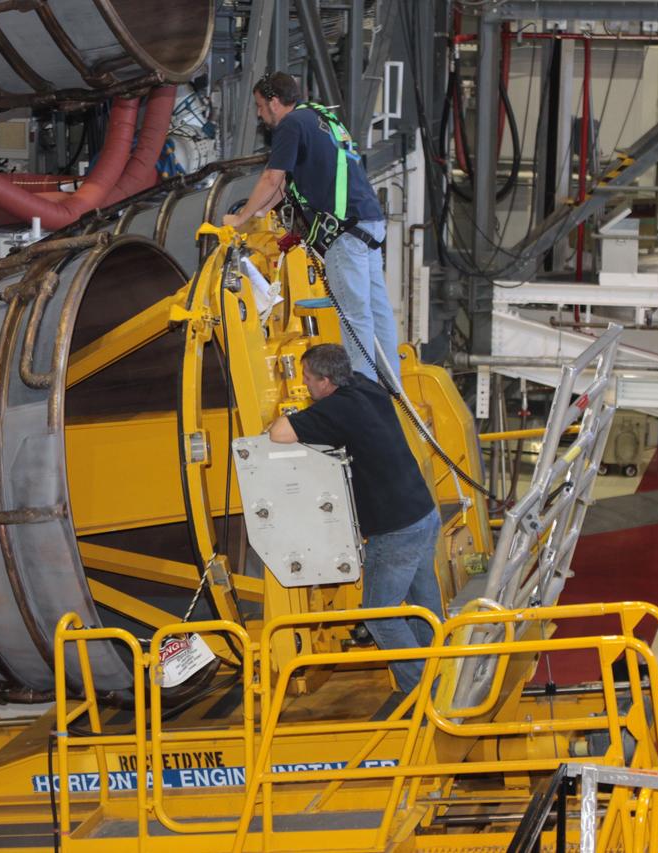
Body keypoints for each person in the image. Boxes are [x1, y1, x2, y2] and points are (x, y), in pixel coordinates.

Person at [267, 344, 441, 694]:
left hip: (395, 531)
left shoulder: (337, 410)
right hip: (423, 514)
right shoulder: (364, 385)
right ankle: (444, 675)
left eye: (308, 378)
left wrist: (297, 414)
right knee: (425, 608)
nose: (304, 384)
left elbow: (278, 433)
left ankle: (425, 695)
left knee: (378, 615)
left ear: (326, 381)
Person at [222, 71, 399, 386]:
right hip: (369, 223)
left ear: (274, 102)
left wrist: (239, 219)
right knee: (377, 309)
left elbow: (271, 178)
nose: (260, 115)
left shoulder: (290, 125)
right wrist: (255, 214)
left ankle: (364, 391)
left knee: (354, 315)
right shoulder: (318, 116)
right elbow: (281, 189)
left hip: (345, 233)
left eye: (260, 106)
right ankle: (390, 384)